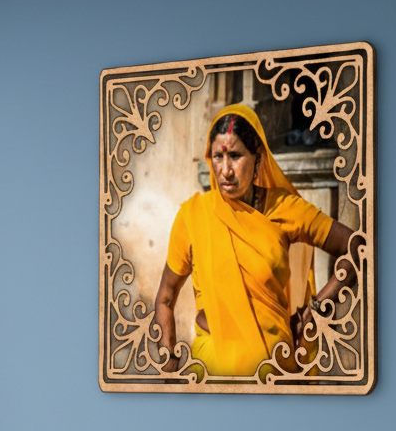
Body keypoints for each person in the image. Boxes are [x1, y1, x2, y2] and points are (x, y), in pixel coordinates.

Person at [153, 103, 357, 377]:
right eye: (217, 157)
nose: (225, 170)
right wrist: (168, 369)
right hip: (213, 371)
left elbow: (357, 248)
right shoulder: (193, 216)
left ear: (258, 158)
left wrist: (317, 310)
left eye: (235, 156)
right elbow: (165, 299)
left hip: (274, 372)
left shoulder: (285, 208)